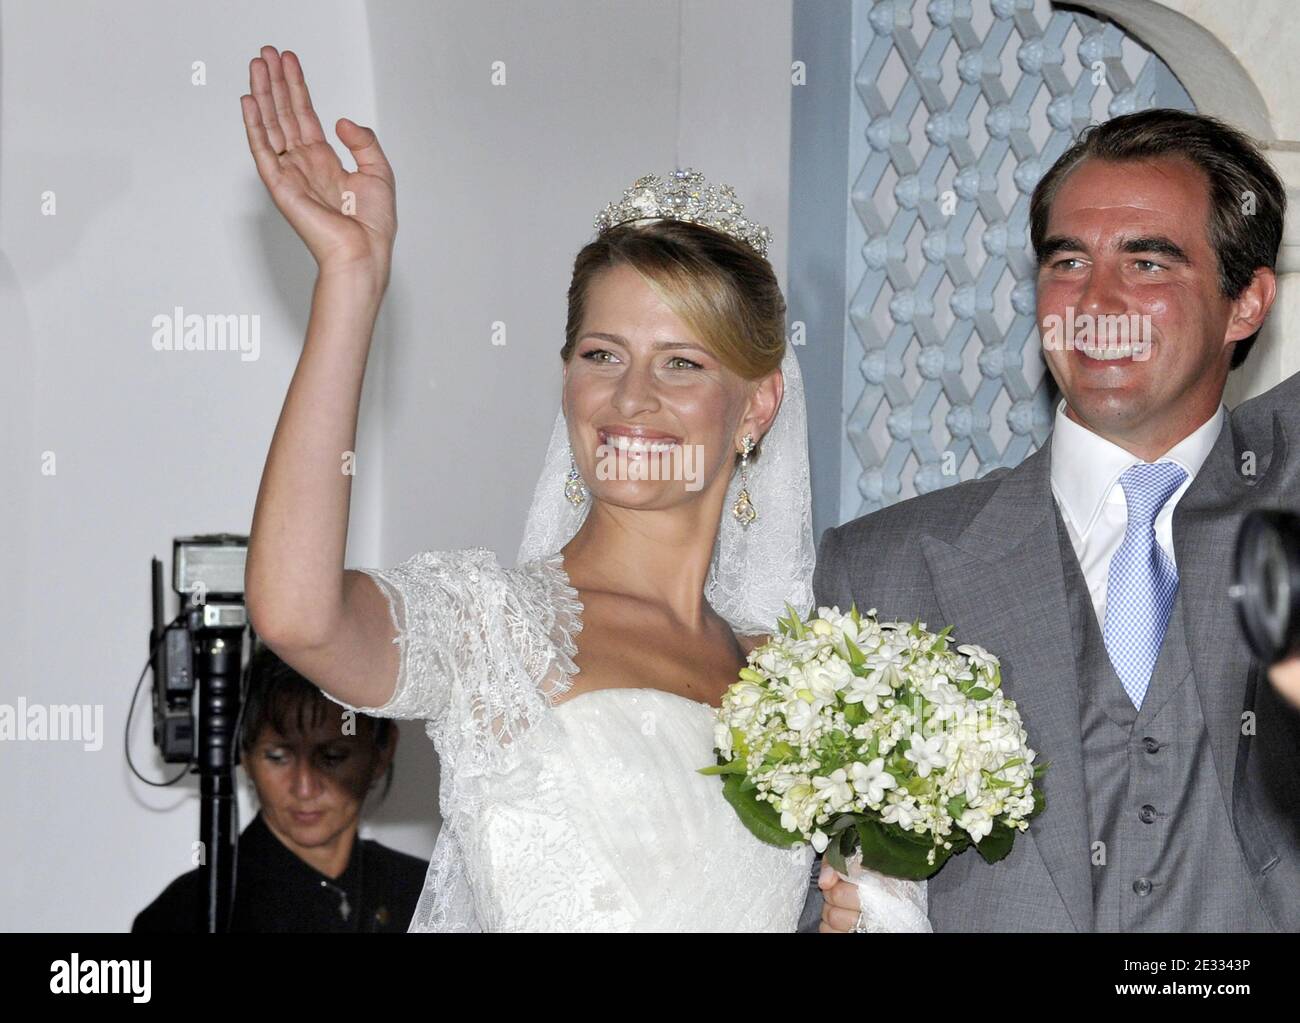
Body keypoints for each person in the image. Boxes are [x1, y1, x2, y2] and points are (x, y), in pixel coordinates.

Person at [237, 44, 928, 932]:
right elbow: (297, 613)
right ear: (565, 379)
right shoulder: (496, 628)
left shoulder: (794, 685)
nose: (631, 399)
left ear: (756, 406)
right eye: (602, 356)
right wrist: (350, 278)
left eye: (680, 363)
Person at [813, 108, 1300, 932]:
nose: (1096, 302)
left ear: (1246, 302)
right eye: (1068, 261)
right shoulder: (883, 567)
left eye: (1148, 263)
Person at [132, 642, 426, 932]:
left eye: (332, 757)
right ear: (244, 755)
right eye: (278, 757)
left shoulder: (424, 895)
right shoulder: (191, 914)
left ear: (382, 752)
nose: (304, 787)